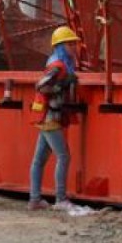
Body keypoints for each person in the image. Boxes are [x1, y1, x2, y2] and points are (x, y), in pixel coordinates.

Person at [29, 25, 80, 211]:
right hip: (50, 117)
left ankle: (35, 199)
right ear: (61, 46)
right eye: (70, 44)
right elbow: (41, 86)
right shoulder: (58, 66)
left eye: (74, 43)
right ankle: (60, 199)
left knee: (39, 160)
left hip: (46, 116)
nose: (74, 47)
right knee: (64, 156)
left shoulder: (56, 63)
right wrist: (62, 86)